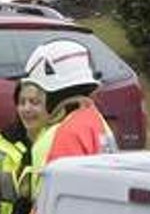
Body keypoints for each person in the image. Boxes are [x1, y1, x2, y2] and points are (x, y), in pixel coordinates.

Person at [19, 39, 117, 213]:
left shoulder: (63, 134)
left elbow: (53, 201)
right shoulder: (92, 118)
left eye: (40, 91)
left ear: (53, 91)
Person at [0, 78, 48, 214]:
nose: (26, 109)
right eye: (21, 102)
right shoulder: (2, 142)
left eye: (34, 102)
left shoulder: (58, 138)